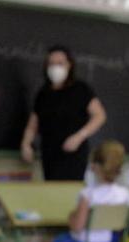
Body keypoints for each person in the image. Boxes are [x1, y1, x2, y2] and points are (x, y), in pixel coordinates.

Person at [19, 45, 107, 181]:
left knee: (69, 194)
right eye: (51, 64)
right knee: (51, 192)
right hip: (49, 155)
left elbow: (99, 116)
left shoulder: (81, 89)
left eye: (60, 63)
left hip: (74, 155)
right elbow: (33, 125)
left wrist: (79, 137)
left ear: (69, 65)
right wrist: (26, 144)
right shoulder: (43, 93)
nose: (55, 68)